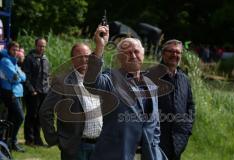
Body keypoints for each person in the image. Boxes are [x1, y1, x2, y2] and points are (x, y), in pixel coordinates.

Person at [83, 25, 167, 160]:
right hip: (116, 154)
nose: (133, 55)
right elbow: (91, 82)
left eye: (136, 51)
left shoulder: (151, 85)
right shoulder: (110, 79)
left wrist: (155, 149)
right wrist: (100, 47)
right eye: (127, 53)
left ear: (143, 53)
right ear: (119, 58)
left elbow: (154, 125)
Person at [39, 43, 116, 160]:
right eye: (80, 57)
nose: (85, 60)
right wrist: (54, 138)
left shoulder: (100, 80)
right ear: (72, 60)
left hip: (100, 145)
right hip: (76, 147)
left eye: (87, 56)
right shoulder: (62, 81)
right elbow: (45, 111)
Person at [146, 39, 195, 160]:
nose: (175, 55)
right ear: (163, 53)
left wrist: (187, 129)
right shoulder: (150, 75)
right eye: (171, 51)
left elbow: (190, 105)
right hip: (156, 138)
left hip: (179, 138)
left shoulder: (184, 79)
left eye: (178, 52)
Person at [23, 37, 50, 146]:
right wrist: (32, 90)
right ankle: (29, 139)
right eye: (40, 46)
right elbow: (26, 76)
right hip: (33, 93)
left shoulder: (45, 58)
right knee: (31, 116)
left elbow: (47, 76)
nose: (42, 48)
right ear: (35, 45)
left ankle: (37, 139)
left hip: (44, 92)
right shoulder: (29, 58)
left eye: (43, 46)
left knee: (39, 117)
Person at [0, 41, 26, 152]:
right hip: (10, 93)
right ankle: (13, 141)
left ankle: (7, 143)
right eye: (13, 50)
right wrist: (20, 77)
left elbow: (24, 77)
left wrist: (19, 76)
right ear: (9, 49)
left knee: (11, 119)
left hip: (18, 93)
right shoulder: (5, 61)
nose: (15, 52)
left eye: (17, 50)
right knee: (20, 117)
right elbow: (15, 78)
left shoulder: (13, 61)